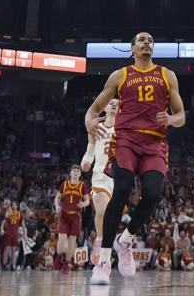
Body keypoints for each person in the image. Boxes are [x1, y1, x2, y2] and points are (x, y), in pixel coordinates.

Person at [84, 31, 186, 285]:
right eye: (142, 40)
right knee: (121, 188)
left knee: (153, 192)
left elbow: (181, 115)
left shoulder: (167, 75)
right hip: (126, 140)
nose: (147, 43)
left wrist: (171, 119)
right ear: (132, 48)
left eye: (150, 41)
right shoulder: (119, 76)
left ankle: (125, 241)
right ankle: (104, 262)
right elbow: (95, 108)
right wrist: (88, 121)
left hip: (154, 143)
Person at [81, 97, 117, 265]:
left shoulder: (124, 128)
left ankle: (108, 244)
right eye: (111, 102)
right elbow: (89, 152)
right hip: (100, 176)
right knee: (101, 211)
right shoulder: (96, 127)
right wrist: (86, 161)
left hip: (117, 177)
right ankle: (100, 243)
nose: (115, 104)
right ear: (104, 107)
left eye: (118, 103)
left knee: (111, 215)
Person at [53, 165, 89, 274]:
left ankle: (66, 264)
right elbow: (57, 198)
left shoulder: (82, 186)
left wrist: (83, 204)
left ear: (80, 174)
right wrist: (57, 206)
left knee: (72, 243)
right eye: (74, 171)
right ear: (70, 173)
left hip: (76, 217)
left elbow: (87, 200)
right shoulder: (64, 184)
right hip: (64, 215)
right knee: (61, 240)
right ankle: (59, 257)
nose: (76, 173)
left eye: (78, 171)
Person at [1, 200, 23, 271]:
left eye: (15, 205)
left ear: (17, 206)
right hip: (8, 233)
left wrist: (24, 233)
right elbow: (5, 219)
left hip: (15, 234)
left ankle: (12, 264)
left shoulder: (19, 214)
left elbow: (22, 224)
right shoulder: (8, 211)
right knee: (6, 249)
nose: (14, 206)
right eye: (12, 205)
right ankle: (4, 264)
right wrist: (2, 229)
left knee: (13, 250)